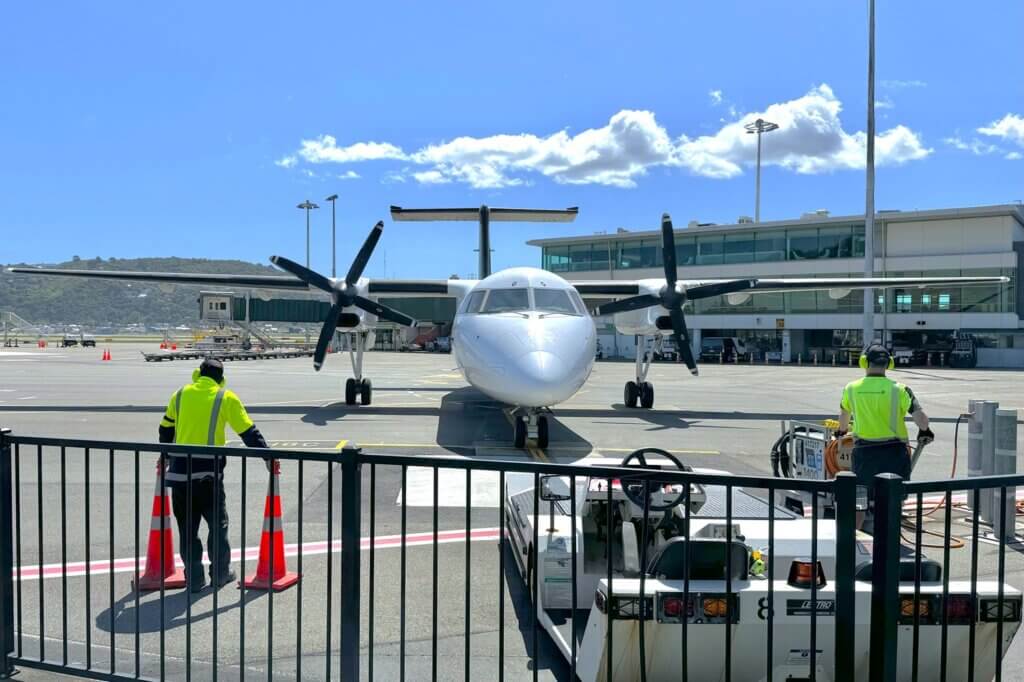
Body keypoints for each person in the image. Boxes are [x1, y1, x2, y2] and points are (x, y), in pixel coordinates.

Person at [158, 358, 272, 592]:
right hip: (208, 475)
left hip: (179, 474)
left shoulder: (179, 394)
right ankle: (220, 574)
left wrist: (166, 455)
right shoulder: (225, 397)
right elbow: (248, 432)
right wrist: (268, 456)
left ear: (197, 374)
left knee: (187, 529)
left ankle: (194, 579)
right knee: (218, 526)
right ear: (221, 379)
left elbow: (165, 428)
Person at [837, 344, 934, 512]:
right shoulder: (900, 389)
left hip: (864, 452)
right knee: (893, 500)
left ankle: (855, 536)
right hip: (894, 453)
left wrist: (841, 431)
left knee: (860, 501)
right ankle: (890, 534)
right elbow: (922, 420)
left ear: (863, 362)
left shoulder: (851, 388)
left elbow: (844, 420)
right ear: (889, 363)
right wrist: (925, 430)